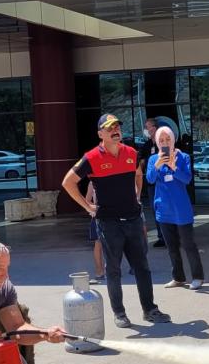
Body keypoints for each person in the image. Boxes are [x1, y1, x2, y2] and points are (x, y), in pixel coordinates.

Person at [61, 114, 170, 329]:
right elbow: (68, 182)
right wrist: (87, 206)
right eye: (109, 127)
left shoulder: (131, 153)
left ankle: (150, 310)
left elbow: (138, 175)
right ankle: (119, 313)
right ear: (101, 134)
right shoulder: (91, 157)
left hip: (133, 219)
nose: (115, 130)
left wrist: (137, 196)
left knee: (142, 268)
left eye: (117, 126)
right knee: (113, 270)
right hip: (109, 223)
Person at [146, 126, 205, 289]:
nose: (165, 143)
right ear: (157, 142)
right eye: (161, 140)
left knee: (189, 244)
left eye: (168, 139)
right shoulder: (153, 159)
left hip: (181, 209)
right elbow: (150, 179)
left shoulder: (183, 157)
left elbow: (186, 179)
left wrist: (174, 167)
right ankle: (178, 277)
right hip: (163, 210)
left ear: (173, 139)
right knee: (171, 247)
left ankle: (198, 277)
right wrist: (158, 164)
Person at [137, 118, 164, 248]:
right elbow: (141, 162)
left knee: (167, 208)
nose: (146, 130)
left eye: (148, 127)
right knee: (155, 209)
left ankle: (171, 236)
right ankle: (161, 237)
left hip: (165, 182)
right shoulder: (147, 145)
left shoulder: (163, 142)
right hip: (152, 183)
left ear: (154, 127)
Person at [85, 181, 104, 283]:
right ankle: (99, 271)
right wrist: (95, 208)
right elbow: (87, 200)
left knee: (114, 244)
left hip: (113, 215)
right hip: (99, 216)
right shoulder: (92, 183)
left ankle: (112, 270)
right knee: (98, 244)